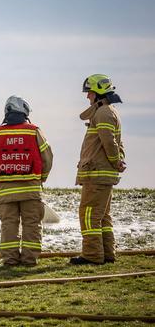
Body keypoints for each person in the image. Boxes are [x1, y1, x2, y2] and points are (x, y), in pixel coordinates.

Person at [0, 96, 53, 266]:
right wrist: (42, 178)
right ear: (25, 112)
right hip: (30, 190)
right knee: (32, 225)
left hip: (5, 192)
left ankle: (10, 260)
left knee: (9, 226)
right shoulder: (34, 131)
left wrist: (3, 160)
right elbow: (47, 158)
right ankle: (29, 260)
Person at [70, 74, 126, 265]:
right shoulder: (108, 111)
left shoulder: (102, 113)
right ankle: (107, 254)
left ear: (98, 93)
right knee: (102, 216)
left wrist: (116, 160)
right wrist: (119, 161)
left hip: (96, 174)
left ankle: (92, 256)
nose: (87, 97)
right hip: (103, 174)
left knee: (89, 214)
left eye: (90, 93)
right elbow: (118, 143)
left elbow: (109, 142)